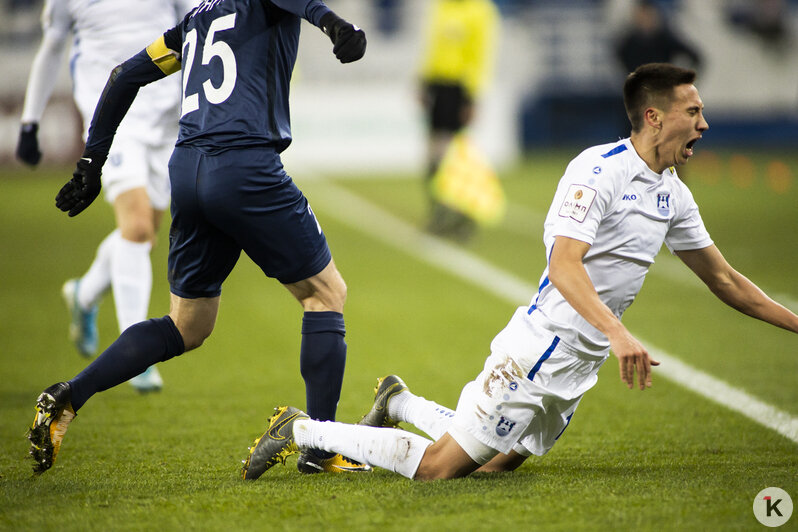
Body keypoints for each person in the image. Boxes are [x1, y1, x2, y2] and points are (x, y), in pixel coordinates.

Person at [241, 63, 798, 481]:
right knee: (440, 469)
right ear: (655, 116)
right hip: (542, 349)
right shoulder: (598, 170)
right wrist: (621, 333)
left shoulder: (673, 196)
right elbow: (563, 266)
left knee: (496, 466)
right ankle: (300, 427)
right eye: (693, 112)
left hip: (581, 362)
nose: (705, 123)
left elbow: (726, 282)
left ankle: (398, 402)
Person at [27, 0, 368, 476]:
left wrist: (91, 162)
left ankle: (70, 394)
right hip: (245, 167)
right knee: (326, 294)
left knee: (187, 325)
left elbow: (123, 75)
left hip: (187, 170)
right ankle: (321, 445)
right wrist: (335, 25)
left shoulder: (194, 20)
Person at [16, 0, 199, 392]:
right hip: (113, 120)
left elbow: (198, 26)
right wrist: (30, 122)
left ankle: (85, 293)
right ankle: (138, 358)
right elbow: (52, 47)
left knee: (146, 234)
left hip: (167, 117)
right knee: (135, 228)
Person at [418, 0, 499, 240]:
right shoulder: (442, 6)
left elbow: (481, 55)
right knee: (434, 155)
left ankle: (464, 216)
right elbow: (433, 47)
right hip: (437, 86)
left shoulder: (480, 10)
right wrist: (424, 82)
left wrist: (472, 97)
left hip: (459, 89)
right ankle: (440, 212)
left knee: (457, 156)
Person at [615, 0, 702, 75]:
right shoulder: (629, 42)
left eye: (647, 15)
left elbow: (694, 57)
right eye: (640, 16)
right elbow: (621, 58)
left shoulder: (665, 38)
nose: (644, 20)